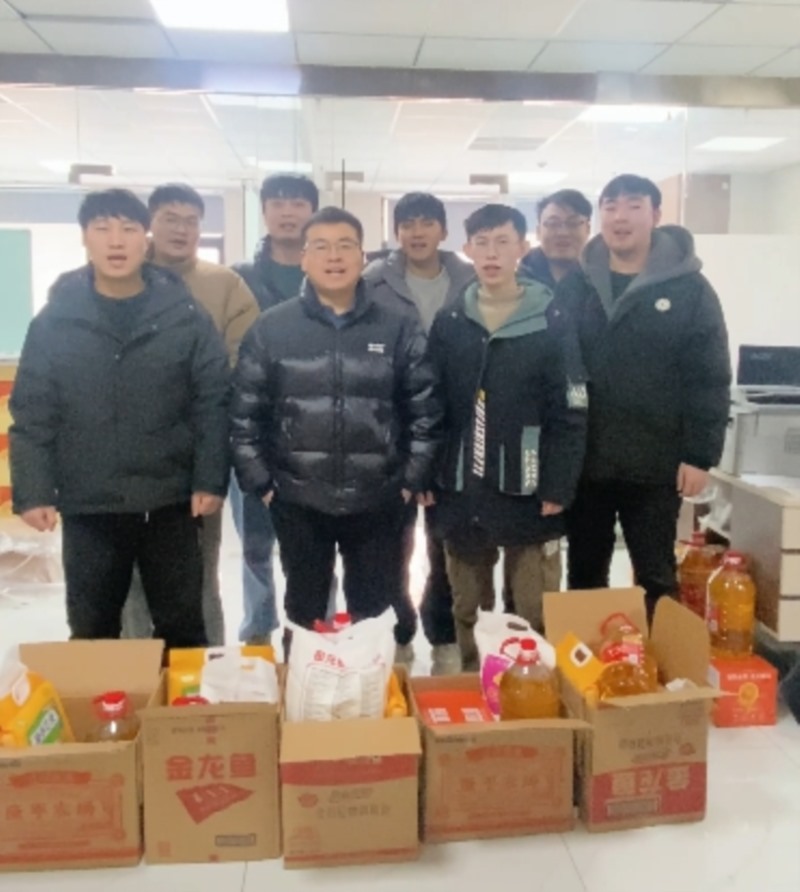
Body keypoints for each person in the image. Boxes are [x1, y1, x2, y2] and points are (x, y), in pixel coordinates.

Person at [9, 189, 229, 649]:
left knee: (183, 625)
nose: (116, 241)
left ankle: (181, 700)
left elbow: (211, 401)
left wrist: (210, 478)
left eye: (128, 229)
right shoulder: (55, 321)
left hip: (170, 498)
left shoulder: (184, 315)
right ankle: (106, 699)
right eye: (102, 228)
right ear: (84, 237)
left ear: (144, 238)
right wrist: (33, 490)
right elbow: (33, 410)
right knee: (92, 627)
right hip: (89, 501)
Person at [231, 206, 442, 654]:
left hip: (379, 499)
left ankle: (377, 691)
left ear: (362, 257)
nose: (334, 257)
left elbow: (424, 410)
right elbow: (245, 415)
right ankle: (306, 690)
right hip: (298, 498)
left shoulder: (397, 326)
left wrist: (409, 481)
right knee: (305, 612)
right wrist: (263, 485)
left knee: (375, 614)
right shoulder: (272, 328)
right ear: (304, 258)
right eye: (321, 247)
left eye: (345, 246)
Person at [562, 174, 731, 619]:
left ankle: (664, 661)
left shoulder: (690, 289)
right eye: (610, 206)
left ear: (655, 215)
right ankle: (590, 660)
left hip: (656, 462)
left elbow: (709, 377)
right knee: (584, 573)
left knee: (656, 574)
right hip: (587, 461)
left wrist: (700, 455)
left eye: (633, 205)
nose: (620, 217)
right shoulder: (577, 284)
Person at [428, 204, 587, 671]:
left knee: (533, 607)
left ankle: (529, 685)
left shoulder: (551, 319)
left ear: (522, 247)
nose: (492, 253)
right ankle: (475, 679)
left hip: (530, 482)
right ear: (467, 249)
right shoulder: (451, 319)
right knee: (467, 605)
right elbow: (431, 404)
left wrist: (559, 484)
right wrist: (426, 473)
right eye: (481, 243)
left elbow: (570, 409)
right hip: (462, 483)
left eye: (502, 242)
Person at [121, 182, 260, 646]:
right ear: (150, 224)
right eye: (170, 219)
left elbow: (246, 361)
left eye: (191, 221)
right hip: (122, 457)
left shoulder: (225, 286)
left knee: (197, 576)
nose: (181, 230)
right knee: (130, 582)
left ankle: (206, 672)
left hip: (196, 455)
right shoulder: (116, 280)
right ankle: (140, 671)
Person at [364, 192, 474, 674]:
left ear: (443, 231)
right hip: (394, 432)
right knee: (394, 542)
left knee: (446, 543)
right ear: (397, 232)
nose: (417, 232)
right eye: (407, 224)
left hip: (458, 429)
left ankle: (443, 630)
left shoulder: (469, 280)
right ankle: (399, 630)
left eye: (427, 222)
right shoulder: (373, 283)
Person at [230, 173, 319, 645]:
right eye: (278, 203)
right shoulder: (239, 279)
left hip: (320, 435)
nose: (288, 212)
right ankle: (258, 631)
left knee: (318, 544)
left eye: (298, 203)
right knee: (255, 545)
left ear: (312, 212)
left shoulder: (331, 274)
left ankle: (316, 631)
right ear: (264, 212)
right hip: (256, 434)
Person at [520, 188, 593, 289]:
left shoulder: (602, 283)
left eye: (573, 223)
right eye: (553, 224)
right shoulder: (516, 284)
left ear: (588, 229)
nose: (563, 233)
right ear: (538, 231)